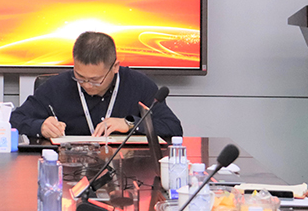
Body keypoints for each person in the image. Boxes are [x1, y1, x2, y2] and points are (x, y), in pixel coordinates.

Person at [10, 31, 183, 139]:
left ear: (115, 67)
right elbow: (15, 120)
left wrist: (131, 124)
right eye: (80, 77)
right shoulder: (56, 86)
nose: (87, 85)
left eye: (95, 80)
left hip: (127, 170)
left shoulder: (139, 85)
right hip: (69, 170)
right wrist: (41, 126)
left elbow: (173, 127)